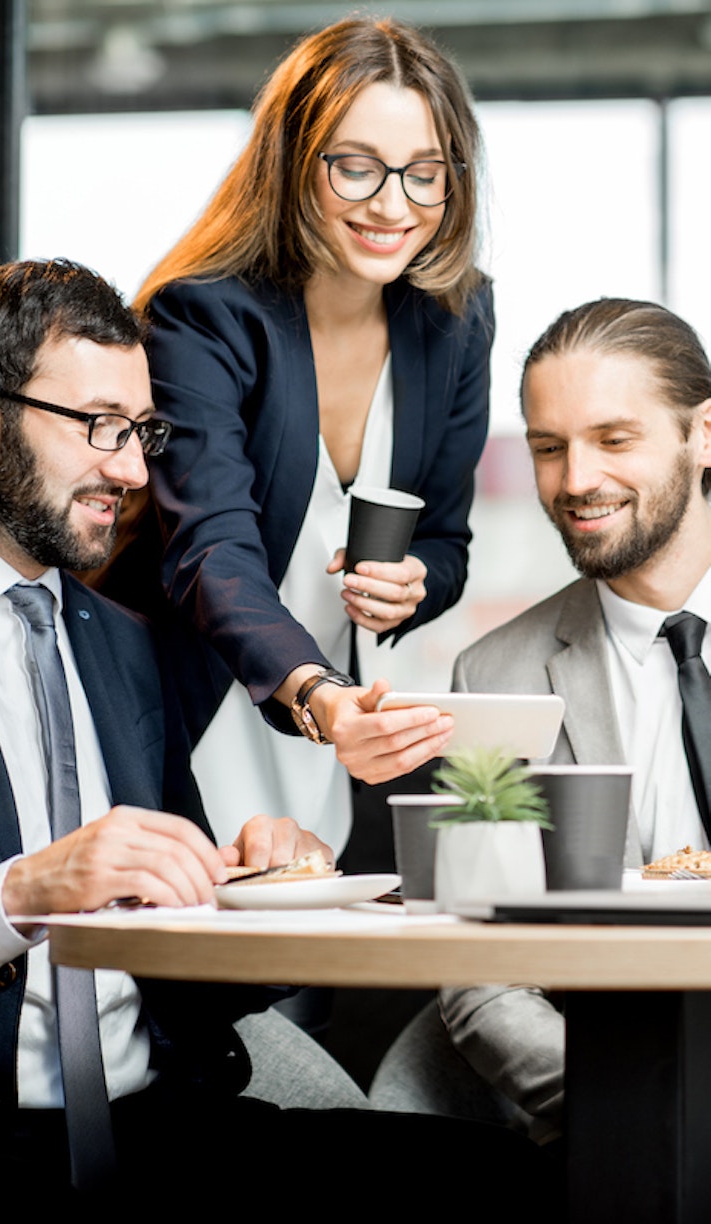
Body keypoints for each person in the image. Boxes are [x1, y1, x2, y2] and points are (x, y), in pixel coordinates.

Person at [0, 258, 547, 1221]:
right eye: (99, 429)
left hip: (158, 1119)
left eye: (140, 432)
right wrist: (22, 892)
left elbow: (184, 968)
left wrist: (260, 894)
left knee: (516, 1183)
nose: (132, 470)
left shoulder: (125, 647)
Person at [113, 16, 491, 857]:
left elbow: (446, 539)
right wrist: (319, 695)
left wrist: (413, 584)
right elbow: (210, 550)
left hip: (337, 727)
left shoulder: (456, 321)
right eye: (355, 167)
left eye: (423, 174)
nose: (392, 205)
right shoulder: (201, 315)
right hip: (199, 700)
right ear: (294, 162)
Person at [403, 298, 711, 1142]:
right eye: (548, 447)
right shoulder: (493, 677)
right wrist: (633, 1117)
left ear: (704, 436)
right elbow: (479, 970)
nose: (576, 481)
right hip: (607, 1118)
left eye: (615, 440)